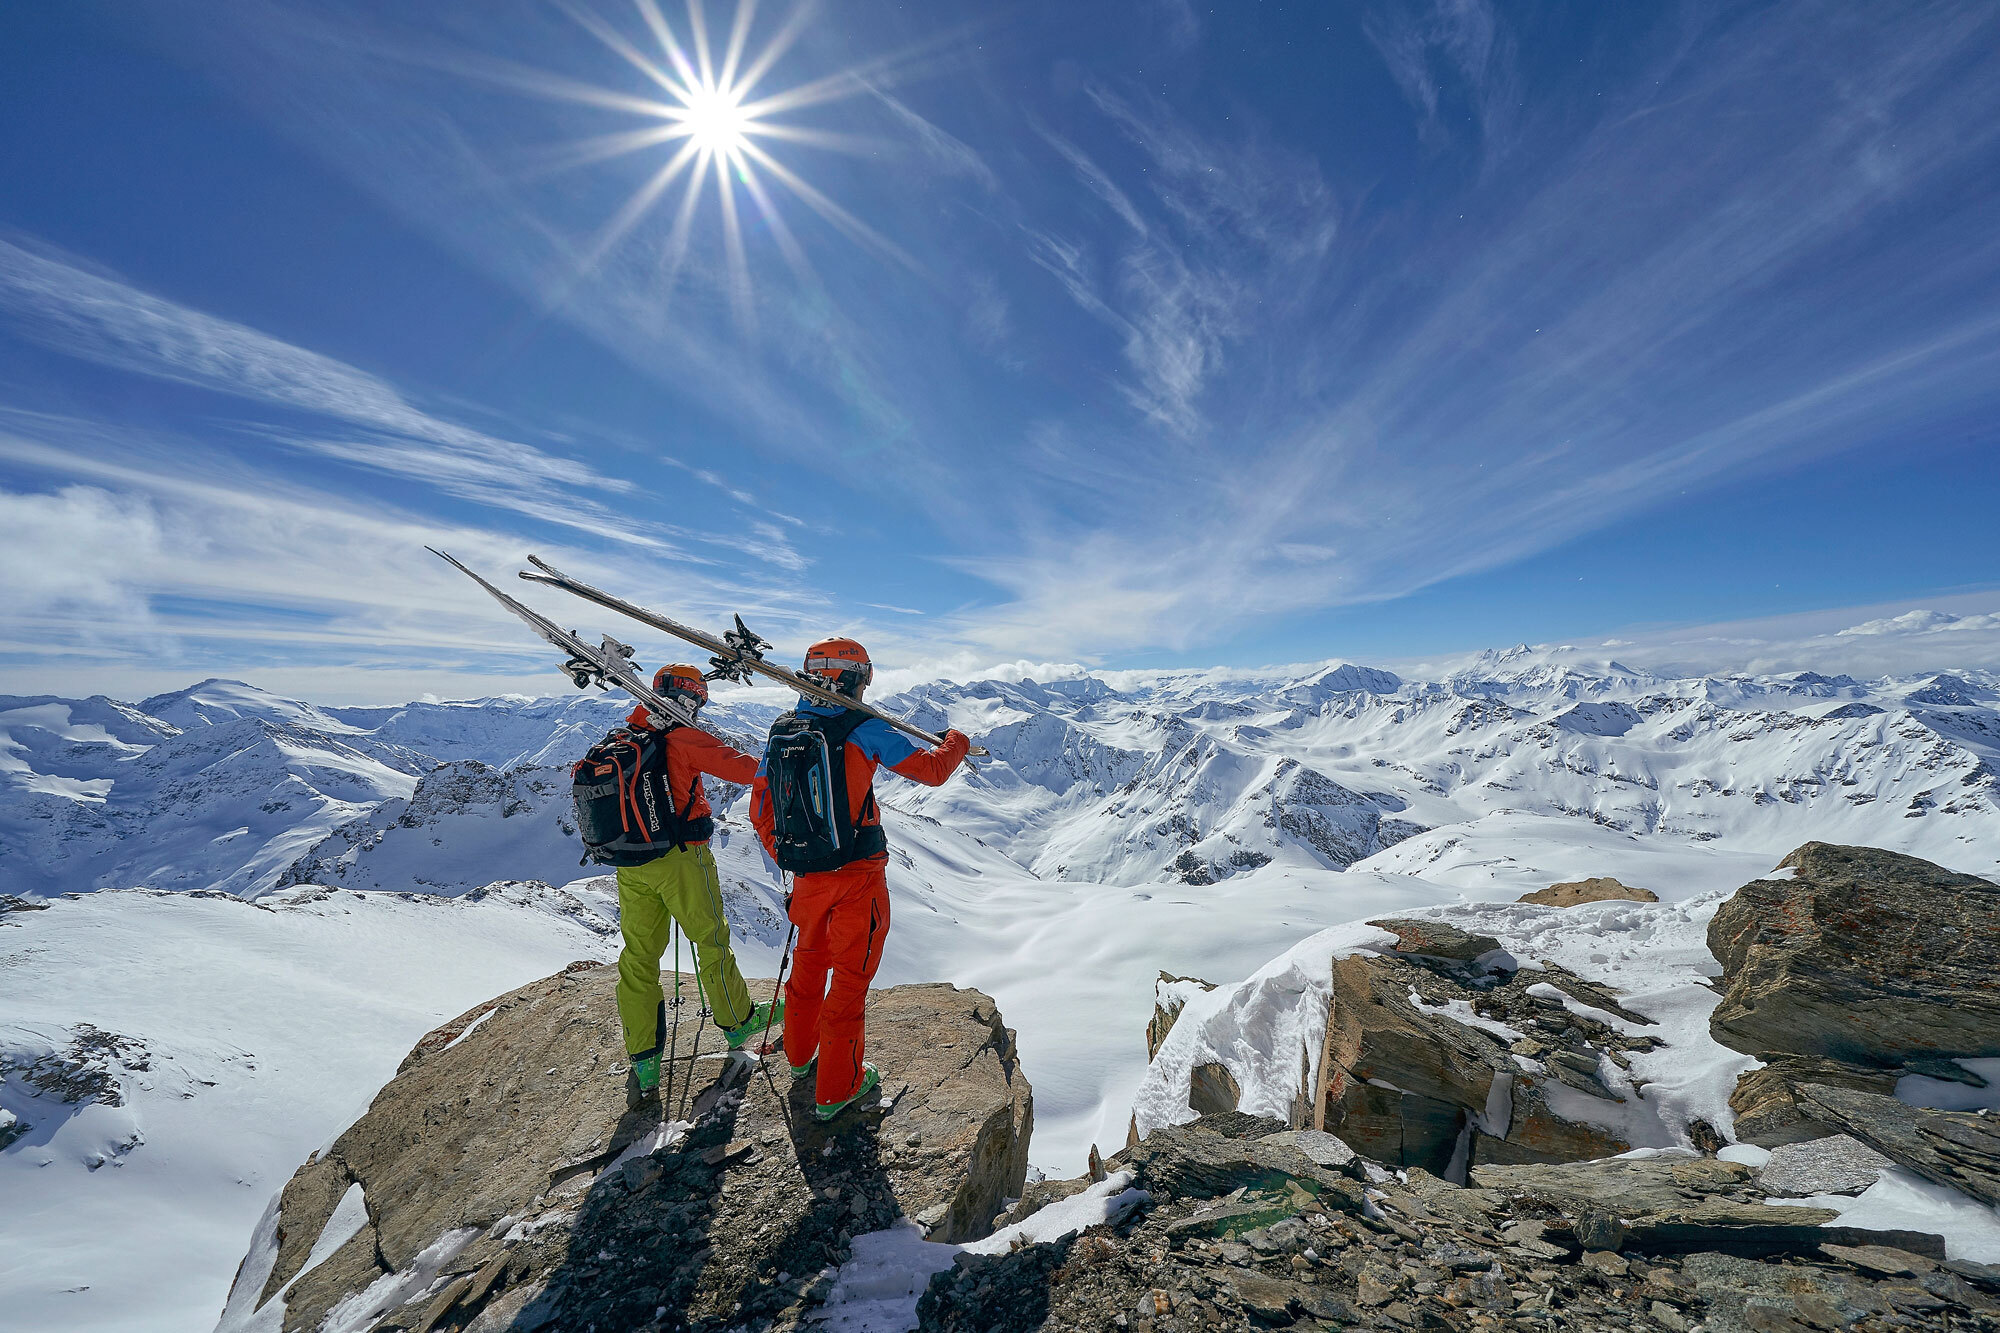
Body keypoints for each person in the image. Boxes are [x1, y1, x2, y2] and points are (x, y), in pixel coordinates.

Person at [751, 638, 971, 1122]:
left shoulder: (784, 729)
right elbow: (932, 771)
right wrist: (958, 741)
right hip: (858, 876)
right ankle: (837, 1088)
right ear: (853, 678)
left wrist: (793, 856)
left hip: (808, 876)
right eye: (865, 677)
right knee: (849, 979)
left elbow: (761, 806)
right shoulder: (863, 727)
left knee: (808, 963)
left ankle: (799, 1057)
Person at [613, 664, 779, 1110]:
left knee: (639, 955)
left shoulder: (629, 734)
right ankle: (738, 1021)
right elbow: (749, 771)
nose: (700, 708)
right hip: (682, 859)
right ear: (690, 698)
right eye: (700, 700)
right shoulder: (682, 736)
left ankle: (643, 1056)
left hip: (631, 863)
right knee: (710, 940)